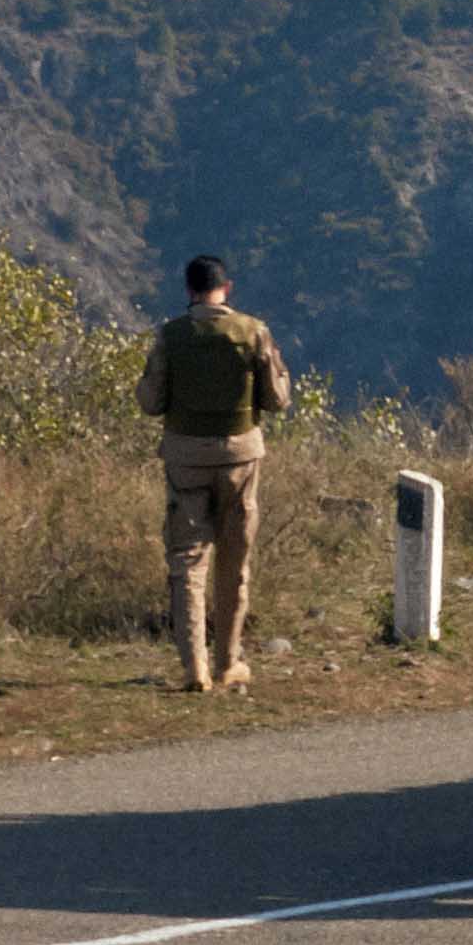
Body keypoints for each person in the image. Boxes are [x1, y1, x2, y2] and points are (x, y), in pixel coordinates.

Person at [136, 254, 295, 691]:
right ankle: (228, 662)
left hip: (185, 458)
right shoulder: (253, 332)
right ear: (228, 288)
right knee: (234, 561)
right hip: (240, 458)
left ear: (188, 291)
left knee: (188, 564)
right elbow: (278, 399)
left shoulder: (170, 336)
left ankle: (195, 670)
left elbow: (150, 402)